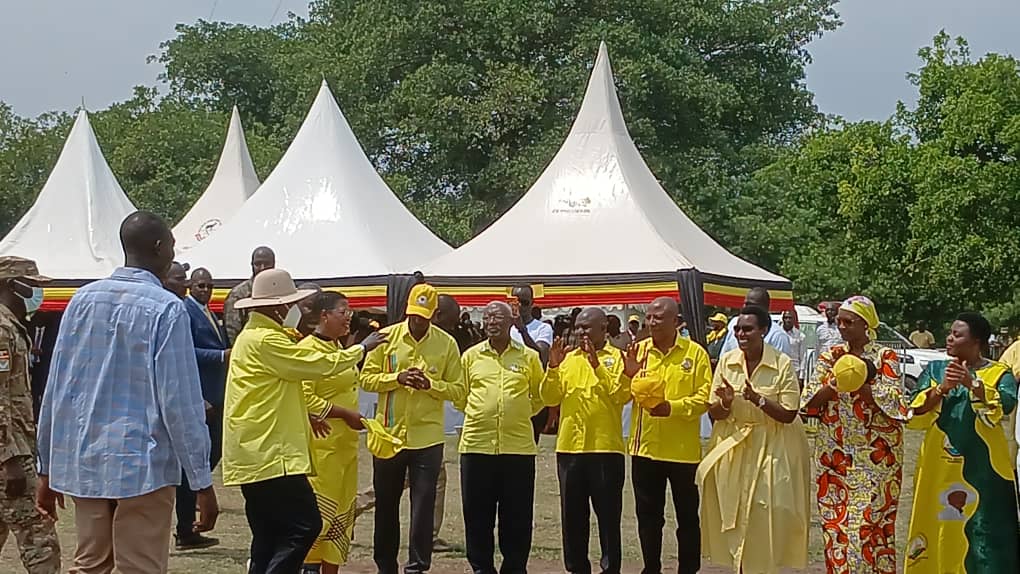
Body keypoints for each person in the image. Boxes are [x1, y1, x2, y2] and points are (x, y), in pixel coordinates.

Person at [37, 211, 218, 574]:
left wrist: (46, 466)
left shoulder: (81, 302)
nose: (172, 253)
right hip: (142, 464)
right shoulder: (166, 309)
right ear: (158, 247)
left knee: (90, 566)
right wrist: (201, 479)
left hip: (85, 461)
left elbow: (57, 388)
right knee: (140, 567)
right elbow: (179, 401)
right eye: (170, 245)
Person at [221, 268, 386, 574]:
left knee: (269, 534)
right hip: (270, 453)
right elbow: (316, 365)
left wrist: (308, 412)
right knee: (305, 525)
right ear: (279, 307)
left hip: (257, 452)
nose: (297, 311)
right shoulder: (267, 341)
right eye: (294, 304)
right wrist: (361, 349)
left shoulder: (256, 337)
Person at [698, 306, 810, 573]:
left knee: (766, 509)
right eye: (737, 329)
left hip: (773, 445)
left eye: (747, 329)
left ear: (763, 330)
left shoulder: (781, 364)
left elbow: (788, 413)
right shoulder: (727, 361)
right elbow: (715, 412)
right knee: (732, 513)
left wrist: (757, 399)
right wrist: (725, 404)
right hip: (734, 444)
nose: (740, 334)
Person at [904, 312, 1019, 573]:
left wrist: (973, 384)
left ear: (976, 341)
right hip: (939, 465)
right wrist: (942, 388)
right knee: (938, 524)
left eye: (957, 335)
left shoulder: (1000, 373)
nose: (949, 339)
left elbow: (1006, 405)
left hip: (985, 470)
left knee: (984, 528)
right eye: (950, 333)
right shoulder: (935, 370)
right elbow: (913, 410)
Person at [801, 296, 908, 574]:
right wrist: (833, 386)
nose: (842, 327)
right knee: (836, 527)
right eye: (839, 322)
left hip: (876, 457)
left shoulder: (885, 357)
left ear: (866, 324)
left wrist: (864, 386)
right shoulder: (831, 356)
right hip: (835, 457)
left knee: (868, 525)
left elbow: (897, 403)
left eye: (849, 322)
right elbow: (809, 402)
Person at [361, 284, 464, 574]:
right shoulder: (387, 338)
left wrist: (431, 386)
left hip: (427, 438)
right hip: (389, 434)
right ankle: (385, 565)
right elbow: (367, 379)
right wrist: (398, 378)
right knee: (386, 506)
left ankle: (418, 565)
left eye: (424, 317)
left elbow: (457, 390)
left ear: (434, 314)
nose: (417, 322)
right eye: (413, 315)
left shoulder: (446, 344)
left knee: (422, 506)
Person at [625, 297, 712, 574]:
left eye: (659, 318)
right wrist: (629, 376)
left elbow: (703, 398)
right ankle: (651, 567)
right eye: (649, 317)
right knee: (649, 517)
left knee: (687, 517)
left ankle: (688, 569)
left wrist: (671, 408)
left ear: (677, 322)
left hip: (682, 452)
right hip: (645, 449)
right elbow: (619, 394)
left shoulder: (695, 354)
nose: (652, 322)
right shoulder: (638, 351)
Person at [457, 301, 545, 574]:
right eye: (487, 317)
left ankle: (514, 567)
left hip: (517, 449)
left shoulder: (528, 357)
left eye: (498, 317)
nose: (492, 321)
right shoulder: (471, 357)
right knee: (477, 515)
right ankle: (482, 568)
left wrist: (515, 413)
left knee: (517, 517)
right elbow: (462, 397)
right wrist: (484, 411)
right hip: (477, 446)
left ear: (512, 323)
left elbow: (539, 398)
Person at [541, 308, 628, 574]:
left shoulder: (617, 358)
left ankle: (610, 567)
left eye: (587, 327)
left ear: (604, 329)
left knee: (608, 516)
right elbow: (549, 398)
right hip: (570, 448)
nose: (581, 332)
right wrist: (553, 367)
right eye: (578, 327)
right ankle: (577, 567)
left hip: (605, 449)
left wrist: (596, 365)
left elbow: (621, 395)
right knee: (573, 516)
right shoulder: (567, 359)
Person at [0, 257, 61, 573]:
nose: (37, 292)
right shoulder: (1, 328)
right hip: (10, 455)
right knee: (41, 544)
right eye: (32, 285)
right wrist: (10, 460)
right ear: (13, 285)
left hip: (17, 447)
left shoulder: (12, 325)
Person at [300, 292, 368, 574]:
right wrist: (342, 414)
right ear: (324, 315)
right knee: (318, 520)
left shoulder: (340, 350)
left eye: (350, 311)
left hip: (345, 449)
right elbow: (303, 397)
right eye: (343, 311)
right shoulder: (307, 350)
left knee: (341, 521)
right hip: (321, 450)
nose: (348, 316)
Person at [175, 266, 229, 550]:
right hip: (201, 399)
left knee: (213, 453)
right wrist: (222, 355)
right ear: (189, 286)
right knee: (193, 465)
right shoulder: (185, 311)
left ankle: (195, 497)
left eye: (209, 286)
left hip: (216, 397)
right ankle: (185, 527)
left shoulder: (209, 313)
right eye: (200, 286)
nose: (205, 291)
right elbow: (186, 353)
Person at [508, 285, 557, 441]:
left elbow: (541, 355)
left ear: (532, 302)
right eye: (516, 302)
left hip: (532, 393)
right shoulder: (504, 327)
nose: (521, 306)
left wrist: (522, 330)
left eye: (524, 302)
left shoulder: (543, 328)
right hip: (510, 389)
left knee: (529, 442)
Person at [222, 246, 275, 344]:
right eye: (258, 264)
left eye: (267, 264)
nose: (262, 268)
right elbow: (232, 333)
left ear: (274, 265)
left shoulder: (281, 290)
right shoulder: (238, 295)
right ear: (252, 265)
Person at [719, 288, 792, 357]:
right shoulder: (734, 323)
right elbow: (724, 355)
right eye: (737, 329)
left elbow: (781, 364)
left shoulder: (778, 336)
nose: (745, 307)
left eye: (750, 305)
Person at [778, 310, 806, 383]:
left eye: (790, 318)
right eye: (786, 318)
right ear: (783, 319)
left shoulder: (800, 336)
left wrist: (801, 376)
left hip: (794, 370)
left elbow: (803, 357)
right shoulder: (777, 334)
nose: (788, 320)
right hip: (778, 369)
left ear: (794, 319)